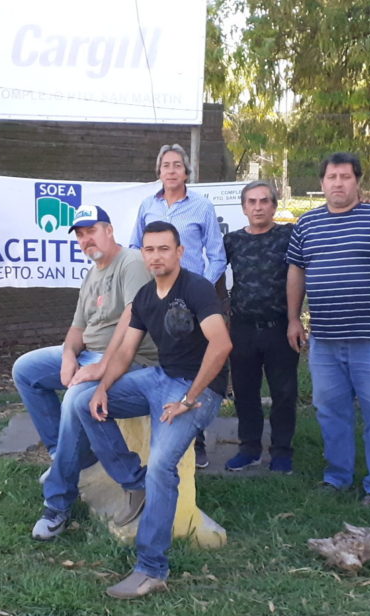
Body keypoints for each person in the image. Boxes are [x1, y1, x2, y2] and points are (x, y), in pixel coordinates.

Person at [71, 221, 231, 599]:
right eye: (149, 249)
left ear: (179, 252)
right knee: (82, 400)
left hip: (199, 391)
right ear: (142, 254)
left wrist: (190, 398)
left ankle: (151, 569)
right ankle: (133, 481)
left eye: (164, 248)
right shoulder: (145, 295)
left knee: (162, 464)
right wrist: (104, 388)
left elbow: (221, 345)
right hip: (159, 378)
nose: (156, 256)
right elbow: (125, 350)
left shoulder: (197, 289)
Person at [286, 152, 370, 510]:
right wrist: (294, 319)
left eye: (345, 176)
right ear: (322, 183)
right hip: (325, 341)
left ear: (357, 181)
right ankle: (338, 477)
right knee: (331, 413)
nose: (338, 183)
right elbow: (296, 272)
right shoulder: (307, 224)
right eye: (332, 177)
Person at [15, 204, 157, 532]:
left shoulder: (131, 262)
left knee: (76, 397)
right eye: (79, 234)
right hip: (89, 352)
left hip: (130, 359)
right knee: (26, 370)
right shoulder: (92, 272)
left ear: (109, 230)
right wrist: (68, 355)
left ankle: (57, 505)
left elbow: (134, 317)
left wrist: (101, 367)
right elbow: (78, 327)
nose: (85, 239)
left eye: (91, 231)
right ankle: (65, 456)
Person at [129, 144, 227, 468]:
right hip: (158, 299)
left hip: (192, 301)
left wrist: (201, 288)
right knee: (163, 362)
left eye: (177, 165)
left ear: (186, 172)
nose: (171, 171)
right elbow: (133, 248)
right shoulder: (147, 205)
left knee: (195, 365)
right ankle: (159, 428)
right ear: (159, 172)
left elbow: (217, 254)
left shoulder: (201, 207)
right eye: (165, 165)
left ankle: (193, 441)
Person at [222, 181, 298, 474]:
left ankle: (281, 451)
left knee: (284, 392)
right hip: (242, 328)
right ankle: (249, 448)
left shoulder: (289, 236)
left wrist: (295, 319)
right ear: (243, 208)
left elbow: (300, 272)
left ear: (274, 206)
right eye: (251, 202)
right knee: (245, 391)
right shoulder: (233, 241)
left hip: (280, 327)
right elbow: (216, 273)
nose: (258, 207)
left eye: (264, 201)